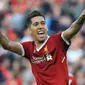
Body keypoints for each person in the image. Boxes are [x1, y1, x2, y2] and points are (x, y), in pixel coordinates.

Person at [0, 10, 85, 85]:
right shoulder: (28, 48)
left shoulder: (57, 40)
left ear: (46, 27)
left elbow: (73, 29)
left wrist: (82, 17)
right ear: (29, 30)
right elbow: (7, 45)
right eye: (36, 24)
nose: (40, 26)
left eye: (43, 23)